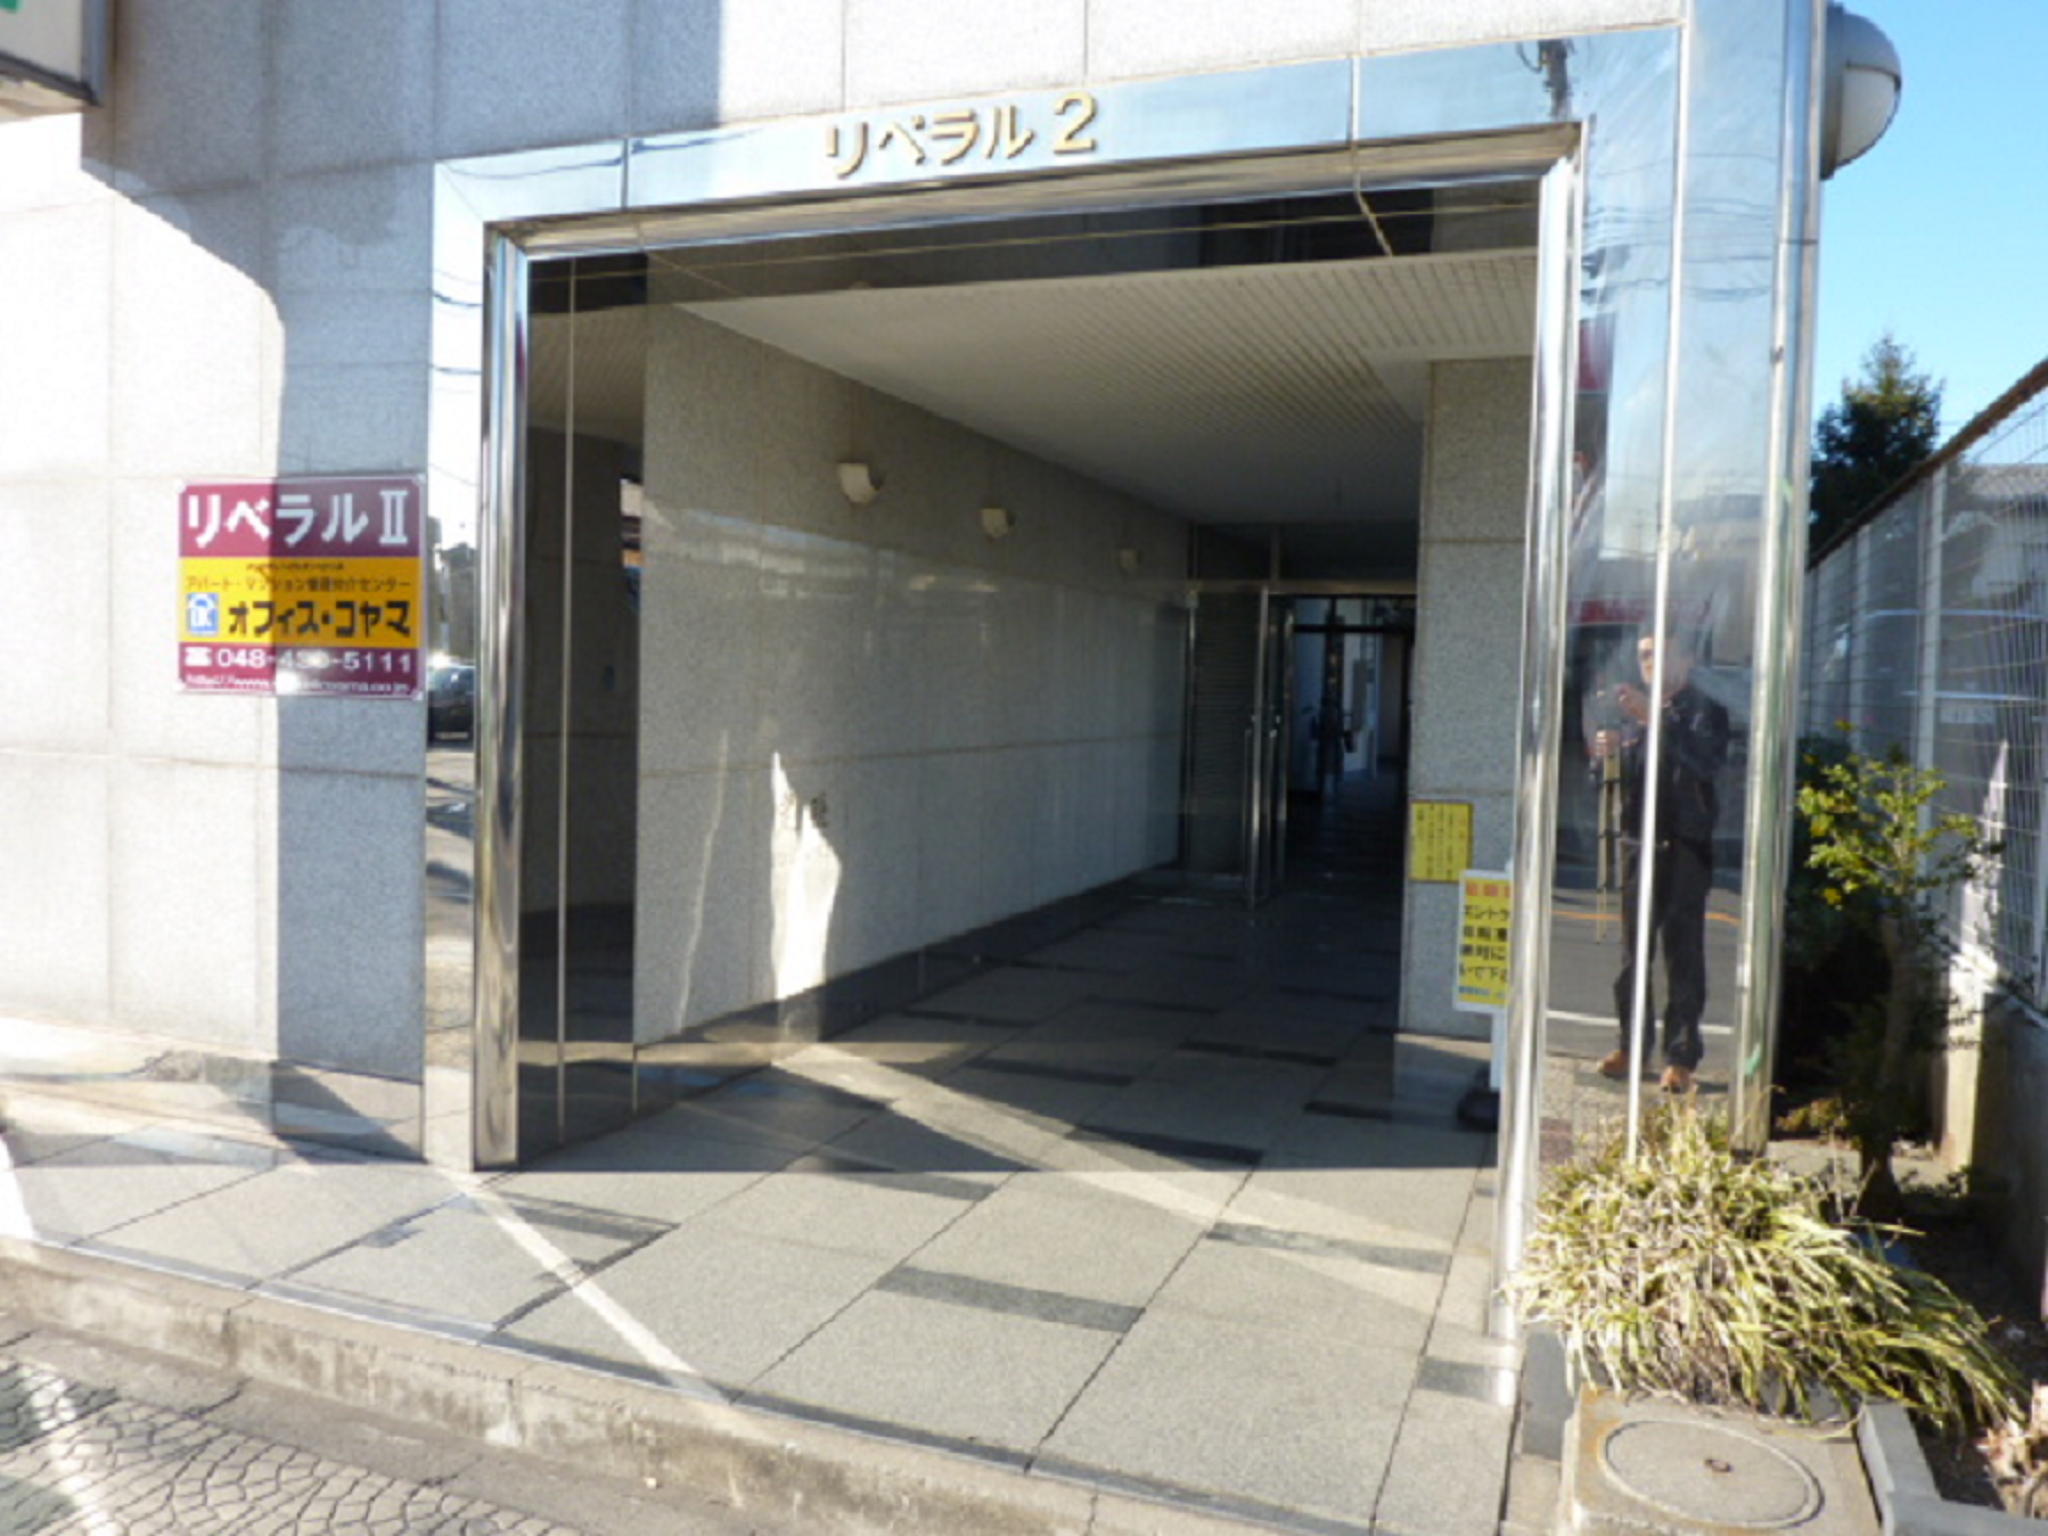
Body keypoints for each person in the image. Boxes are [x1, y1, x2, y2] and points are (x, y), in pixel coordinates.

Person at [1590, 628, 1730, 1093]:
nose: (1649, 663)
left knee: (1682, 951)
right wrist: (1605, 756)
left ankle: (1681, 1056)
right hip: (1637, 842)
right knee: (1633, 954)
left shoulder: (1703, 710)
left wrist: (1655, 720)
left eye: (1659, 654)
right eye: (1643, 655)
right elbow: (1609, 782)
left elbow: (1704, 764)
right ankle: (1631, 1046)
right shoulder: (1631, 712)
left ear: (1685, 660)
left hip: (1686, 843)